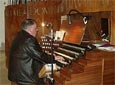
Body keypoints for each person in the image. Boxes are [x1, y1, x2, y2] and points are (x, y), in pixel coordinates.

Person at [8, 19, 63, 85]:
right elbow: (40, 56)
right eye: (35, 28)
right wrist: (54, 58)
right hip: (26, 77)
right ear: (30, 29)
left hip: (17, 74)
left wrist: (46, 55)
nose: (37, 30)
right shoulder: (29, 39)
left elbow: (34, 53)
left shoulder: (19, 35)